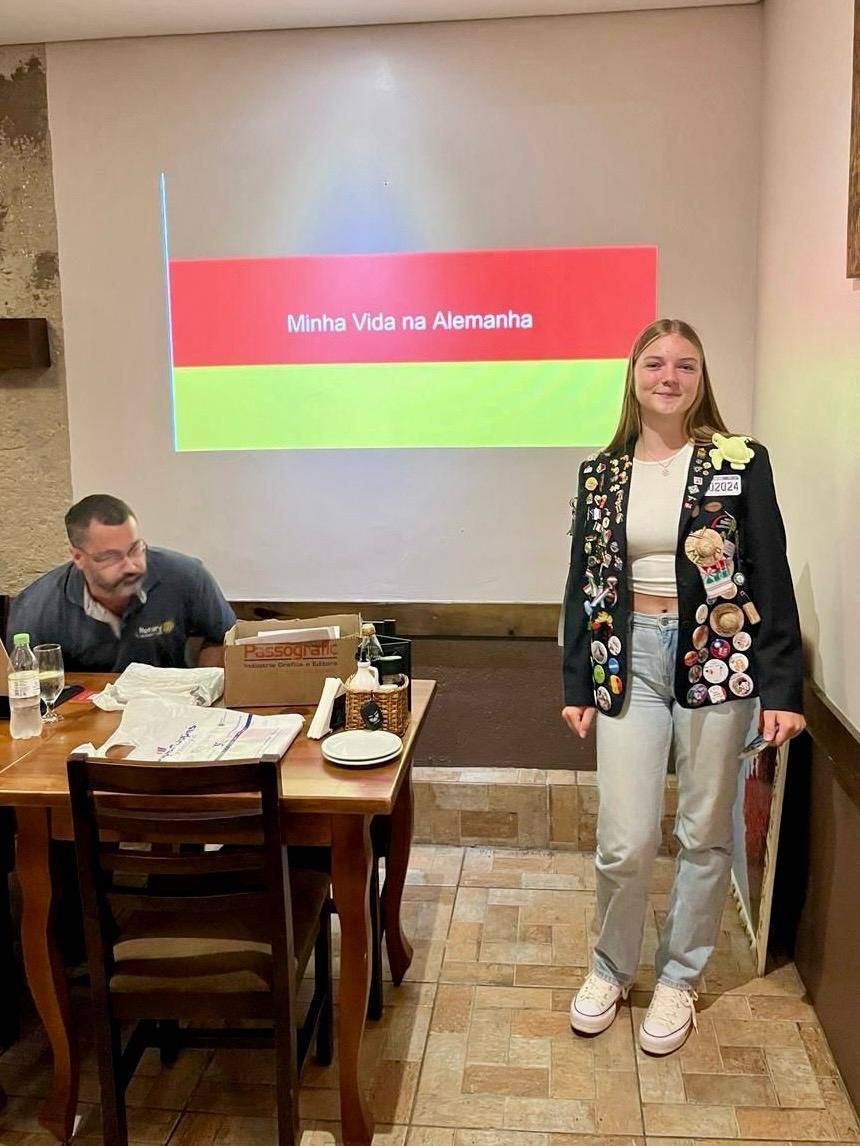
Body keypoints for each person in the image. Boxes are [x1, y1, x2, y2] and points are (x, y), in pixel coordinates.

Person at [561, 318, 804, 1055]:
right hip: (628, 657)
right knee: (625, 838)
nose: (669, 377)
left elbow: (769, 571)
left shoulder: (740, 462)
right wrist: (577, 679)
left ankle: (679, 976)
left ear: (702, 379)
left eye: (686, 365)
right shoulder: (600, 473)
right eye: (655, 363)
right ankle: (611, 967)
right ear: (634, 375)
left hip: (718, 659)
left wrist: (782, 687)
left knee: (704, 832)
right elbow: (583, 582)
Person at [8, 494, 235, 671]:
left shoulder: (185, 576)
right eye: (111, 557)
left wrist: (205, 686)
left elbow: (225, 637)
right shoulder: (36, 607)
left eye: (135, 549)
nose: (131, 566)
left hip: (170, 704)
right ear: (78, 557)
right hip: (84, 710)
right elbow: (25, 685)